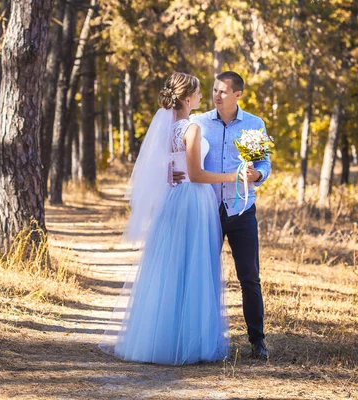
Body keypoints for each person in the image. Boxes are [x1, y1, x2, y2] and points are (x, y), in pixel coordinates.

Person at [99, 72, 237, 365]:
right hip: (193, 198)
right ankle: (189, 342)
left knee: (171, 265)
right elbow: (197, 174)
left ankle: (160, 338)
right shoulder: (192, 129)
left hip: (173, 199)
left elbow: (157, 164)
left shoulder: (166, 128)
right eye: (199, 92)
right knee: (194, 266)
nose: (202, 97)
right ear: (187, 98)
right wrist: (234, 177)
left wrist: (167, 172)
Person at [178, 71, 272, 359]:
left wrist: (258, 174)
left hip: (241, 208)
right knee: (201, 275)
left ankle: (257, 341)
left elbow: (263, 163)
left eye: (223, 91)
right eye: (214, 90)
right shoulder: (199, 122)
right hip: (207, 211)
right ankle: (195, 338)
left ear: (238, 95)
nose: (216, 95)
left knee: (249, 278)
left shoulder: (254, 125)